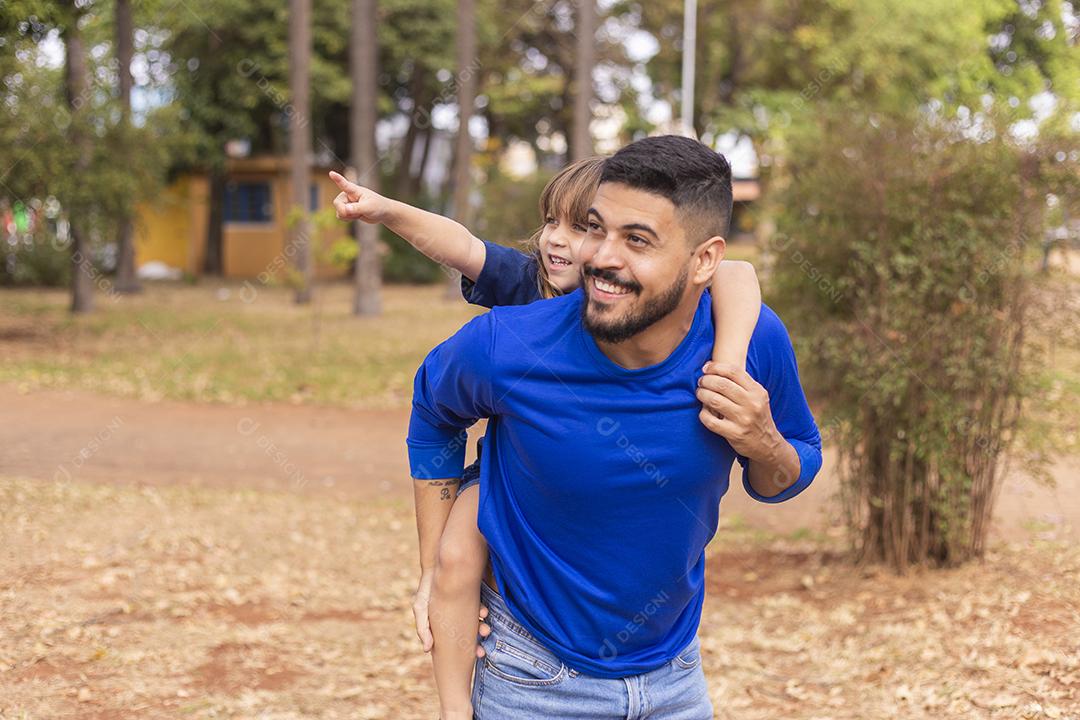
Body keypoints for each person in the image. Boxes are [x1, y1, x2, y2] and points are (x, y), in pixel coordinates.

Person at [405, 135, 822, 718]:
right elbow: (433, 415)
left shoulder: (750, 339)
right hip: (532, 680)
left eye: (637, 240)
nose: (601, 257)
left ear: (705, 261)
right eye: (596, 229)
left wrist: (765, 442)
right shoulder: (506, 345)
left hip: (676, 679)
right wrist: (432, 564)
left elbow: (789, 471)